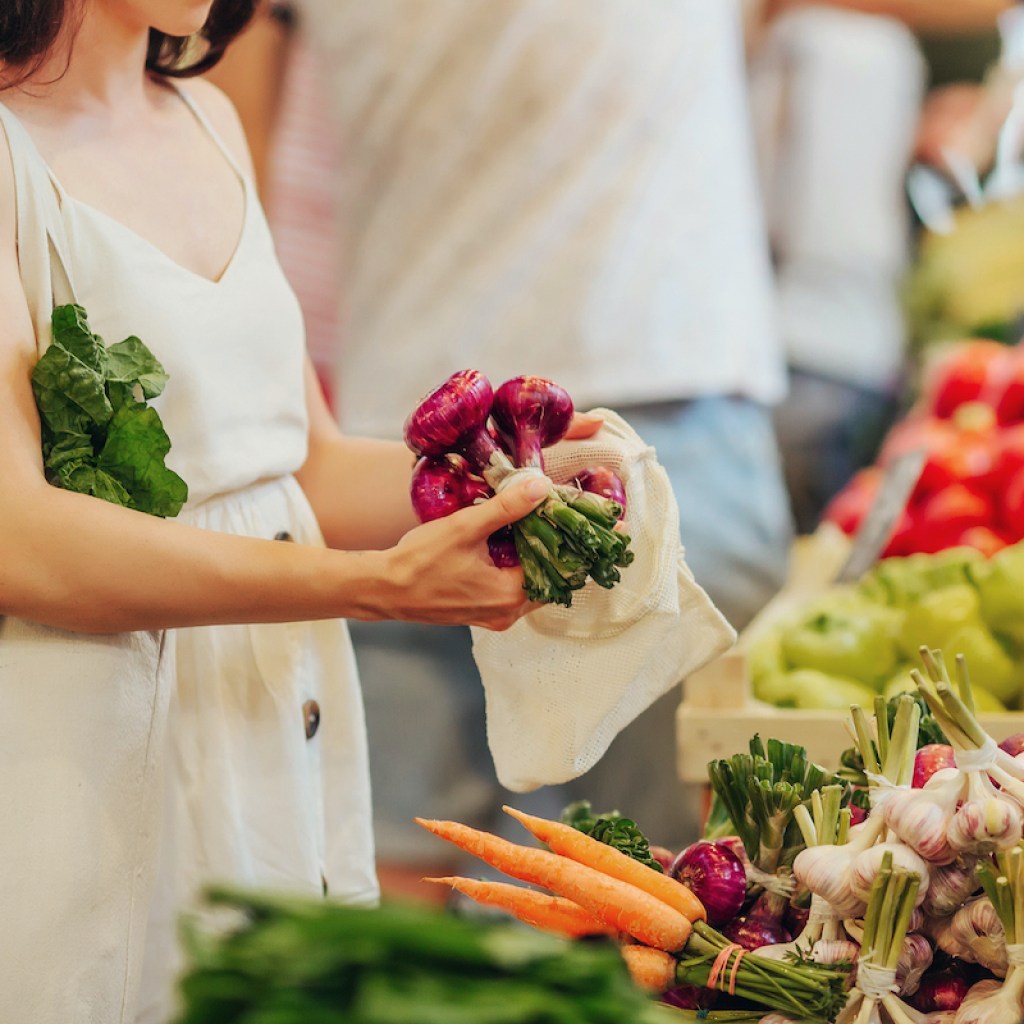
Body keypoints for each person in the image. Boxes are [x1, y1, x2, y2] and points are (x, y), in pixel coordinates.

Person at [0, 3, 603, 1021]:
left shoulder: (207, 122)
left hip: (277, 721)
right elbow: (23, 541)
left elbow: (300, 466)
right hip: (87, 748)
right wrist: (375, 588)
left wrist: (513, 479)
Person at [210, 0, 795, 889]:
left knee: (686, 895)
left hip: (661, 402)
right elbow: (225, 150)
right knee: (387, 879)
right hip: (400, 453)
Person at [746, 0, 1013, 532]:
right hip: (817, 346)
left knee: (814, 555)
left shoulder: (839, 45)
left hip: (830, 344)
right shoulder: (834, 41)